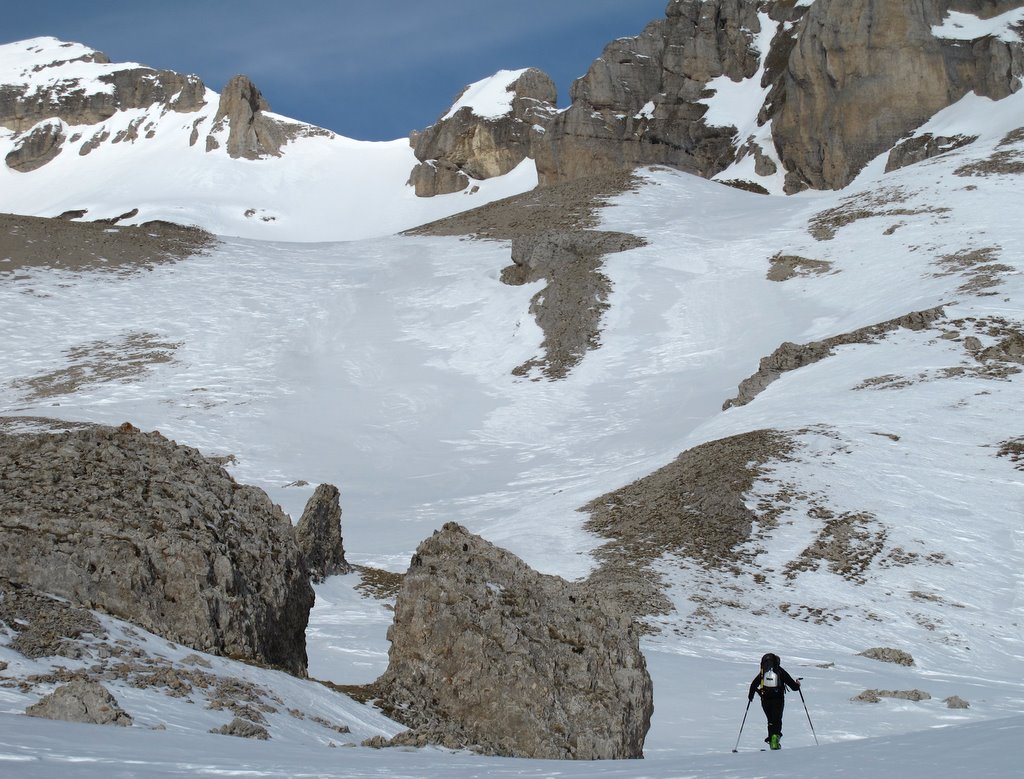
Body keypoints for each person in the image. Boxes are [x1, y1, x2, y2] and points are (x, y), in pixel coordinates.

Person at [748, 652, 800, 750]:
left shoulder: (763, 672)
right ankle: (775, 739)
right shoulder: (780, 671)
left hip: (765, 700)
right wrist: (798, 684)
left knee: (770, 720)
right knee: (777, 720)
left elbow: (754, 684)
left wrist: (751, 696)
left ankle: (771, 739)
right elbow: (794, 687)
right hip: (778, 700)